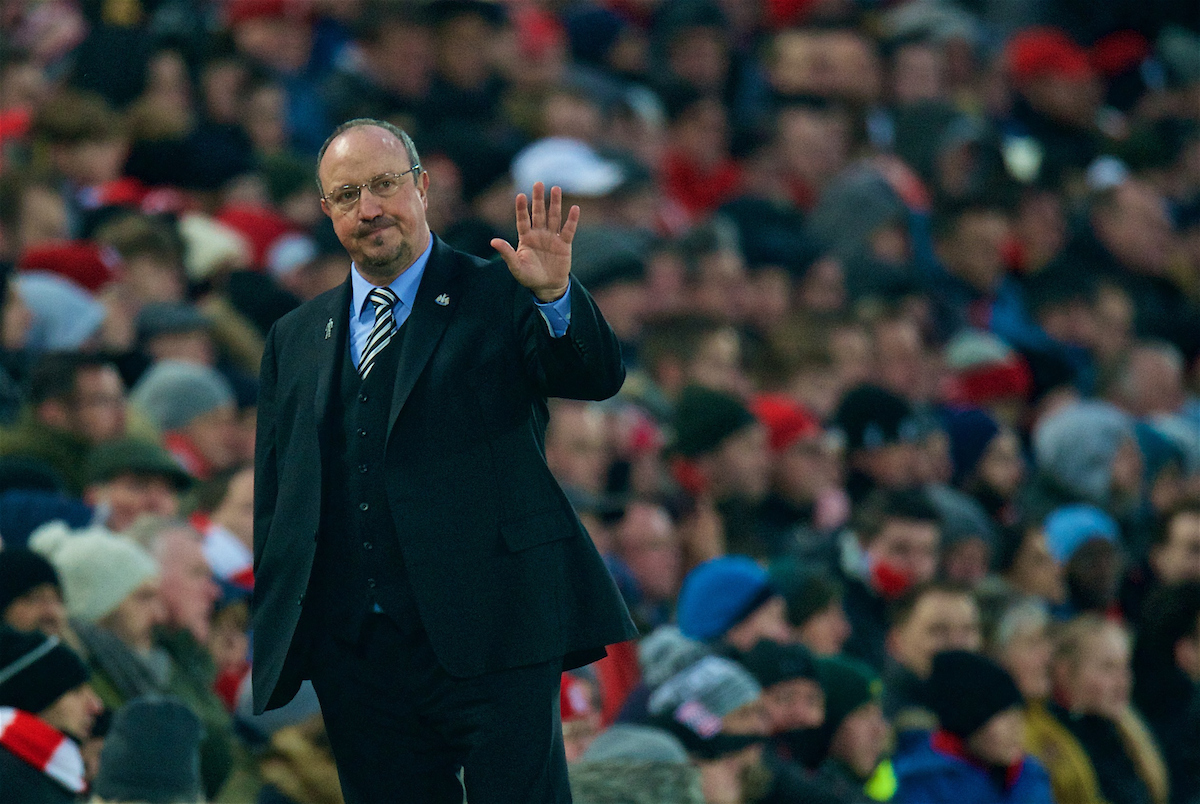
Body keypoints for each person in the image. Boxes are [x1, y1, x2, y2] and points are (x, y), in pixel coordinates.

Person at [251, 118, 635, 803]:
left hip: (496, 632)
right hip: (358, 652)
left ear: (423, 188)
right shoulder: (296, 335)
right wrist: (298, 633)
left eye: (384, 185)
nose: (369, 209)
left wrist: (553, 297)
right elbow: (281, 497)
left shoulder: (502, 290)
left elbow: (594, 375)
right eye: (347, 195)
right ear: (327, 211)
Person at [895, 650, 1054, 804]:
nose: (1016, 727)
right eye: (1003, 716)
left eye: (1018, 715)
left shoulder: (1030, 777)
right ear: (969, 723)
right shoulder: (924, 782)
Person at [0, 626, 102, 804]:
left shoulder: (61, 775)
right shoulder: (14, 778)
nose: (96, 706)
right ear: (35, 695)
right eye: (76, 691)